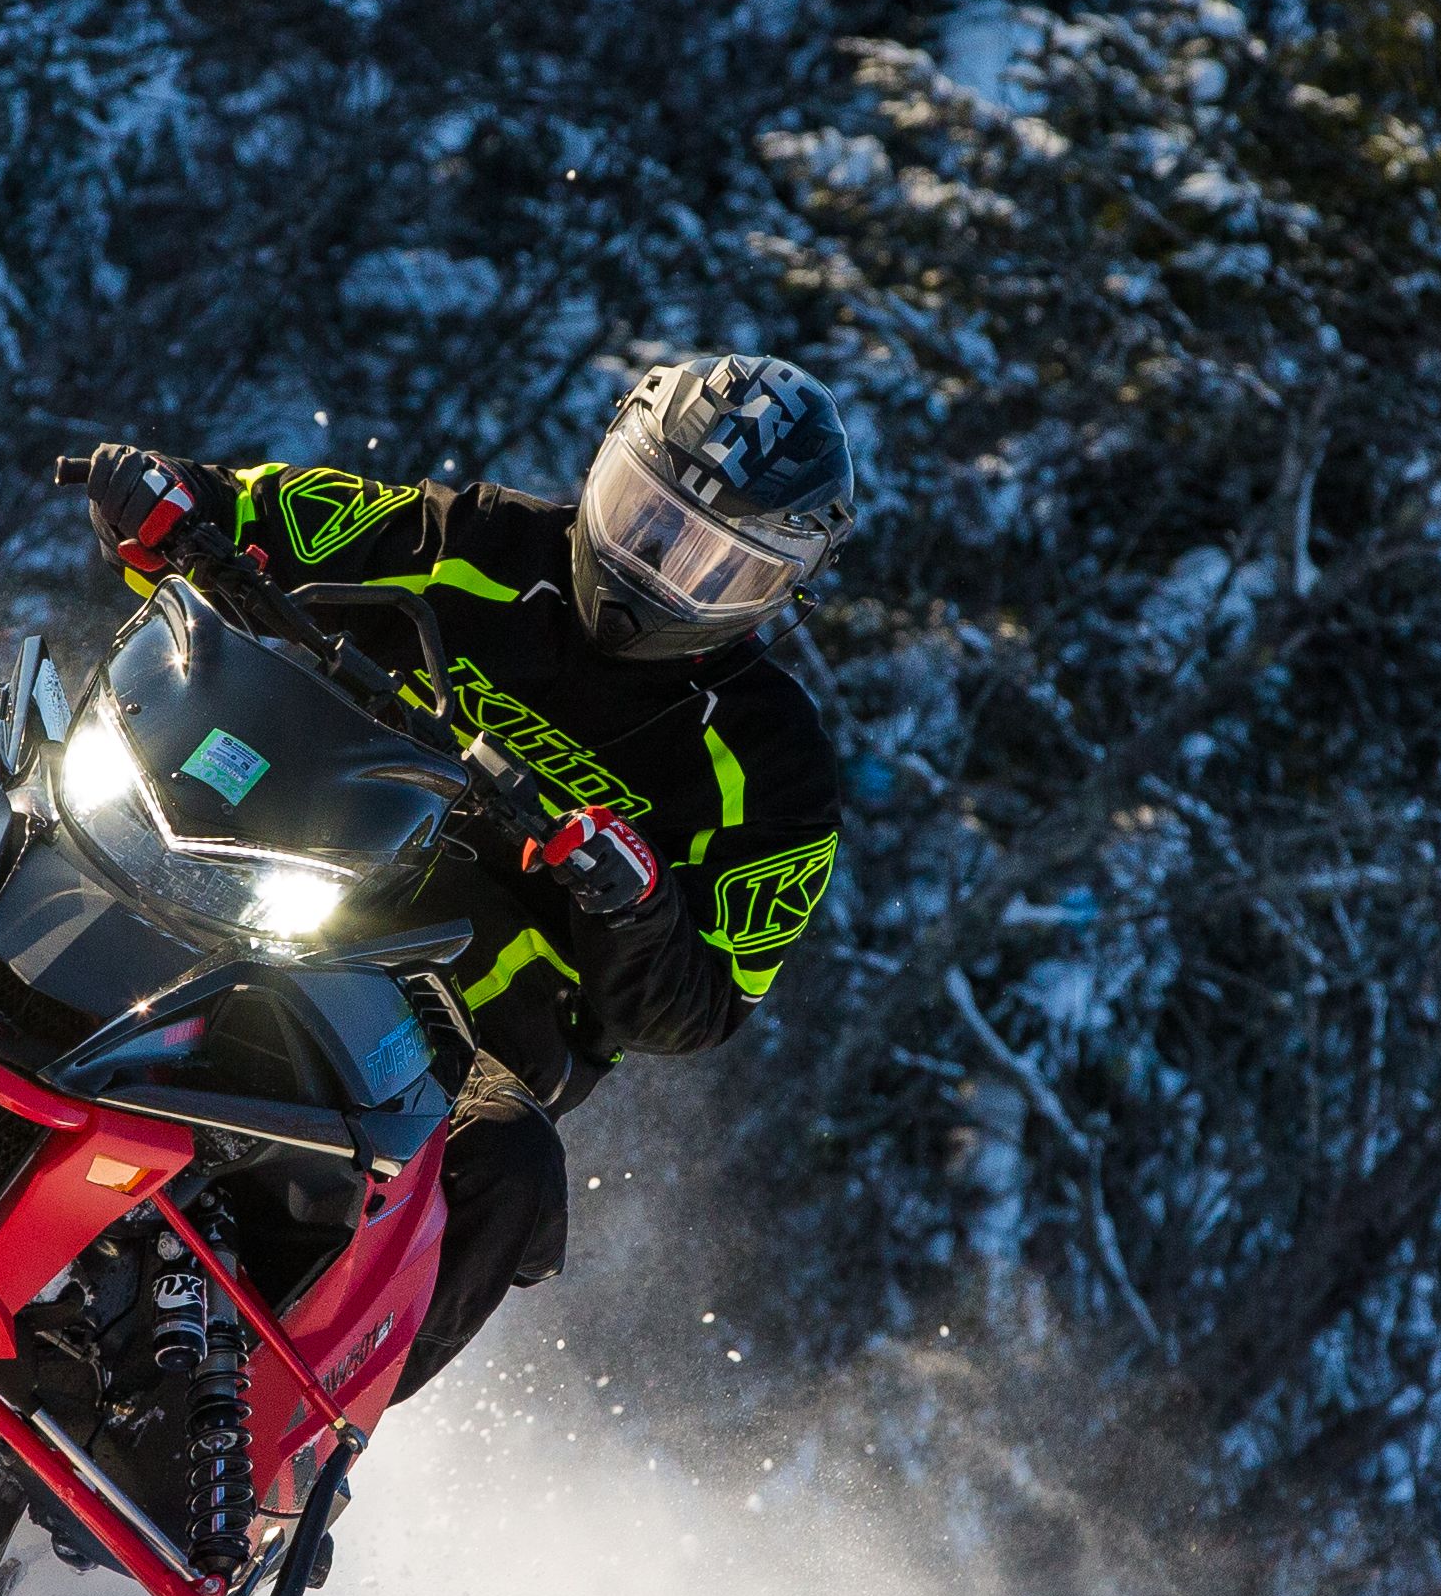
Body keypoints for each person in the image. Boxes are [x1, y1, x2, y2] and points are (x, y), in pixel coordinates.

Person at [65, 355, 861, 1399]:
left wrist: (638, 902)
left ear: (777, 591)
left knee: (509, 1166)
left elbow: (699, 1006)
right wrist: (162, 498)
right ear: (604, 465)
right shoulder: (471, 540)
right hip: (263, 875)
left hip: (441, 1040)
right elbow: (268, 518)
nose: (654, 570)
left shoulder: (776, 774)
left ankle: (273, 1439)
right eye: (644, 518)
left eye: (715, 567)